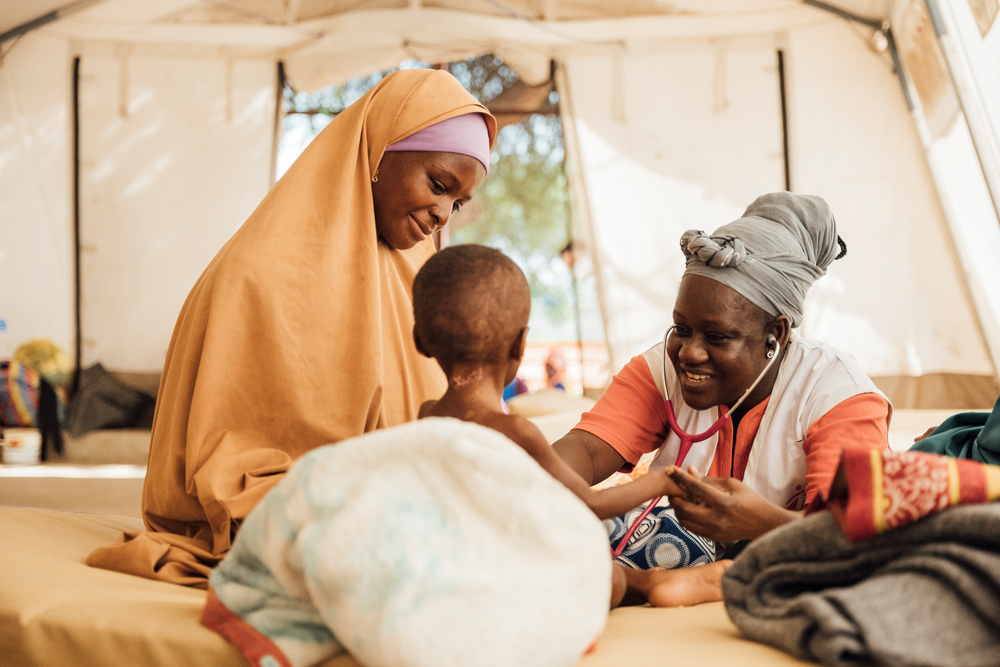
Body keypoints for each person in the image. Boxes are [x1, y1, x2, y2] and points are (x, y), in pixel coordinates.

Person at [86, 69, 497, 587]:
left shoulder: (411, 279)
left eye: (456, 203)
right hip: (289, 516)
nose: (442, 213)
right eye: (438, 185)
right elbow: (232, 466)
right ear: (376, 151)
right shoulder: (257, 271)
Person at [552, 192, 892, 592]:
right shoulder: (660, 368)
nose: (690, 353)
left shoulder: (838, 396)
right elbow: (587, 450)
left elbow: (857, 536)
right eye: (681, 329)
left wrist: (761, 522)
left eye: (717, 337)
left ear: (776, 334)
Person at [413, 243, 733, 607]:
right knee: (602, 571)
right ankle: (647, 584)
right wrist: (661, 480)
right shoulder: (517, 431)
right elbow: (590, 503)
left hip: (450, 564)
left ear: (420, 341)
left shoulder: (425, 415)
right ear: (520, 346)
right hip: (506, 565)